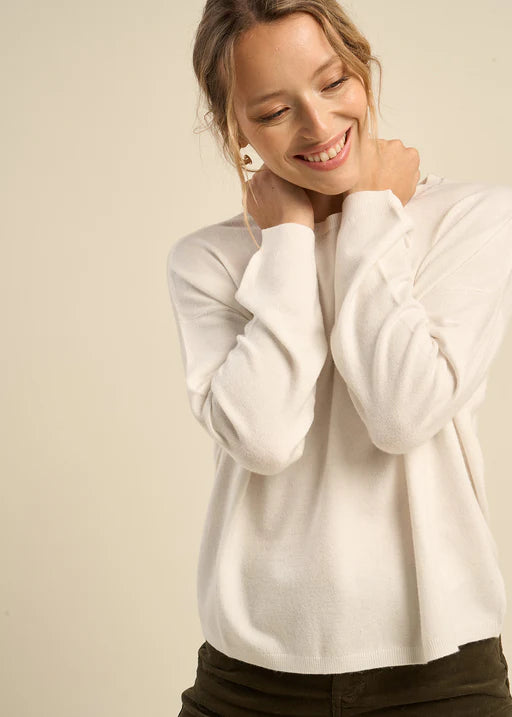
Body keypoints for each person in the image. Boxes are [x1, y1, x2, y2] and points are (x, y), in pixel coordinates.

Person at [167, 1, 512, 714]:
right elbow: (263, 437)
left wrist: (371, 211)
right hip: (247, 680)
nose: (319, 125)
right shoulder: (208, 261)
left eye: (332, 83)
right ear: (236, 129)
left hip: (439, 673)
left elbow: (401, 412)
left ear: (362, 68)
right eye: (274, 111)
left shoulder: (473, 220)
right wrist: (289, 240)